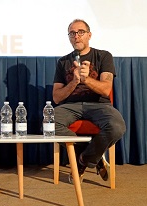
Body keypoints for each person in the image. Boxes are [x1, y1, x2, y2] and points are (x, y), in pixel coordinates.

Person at [52, 19, 126, 183]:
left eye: (80, 32)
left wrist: (86, 80)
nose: (76, 36)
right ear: (69, 37)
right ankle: (96, 156)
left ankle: (82, 161)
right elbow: (56, 97)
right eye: (72, 33)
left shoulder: (103, 56)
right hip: (71, 106)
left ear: (89, 35)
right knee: (48, 122)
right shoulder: (63, 62)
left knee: (117, 127)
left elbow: (106, 89)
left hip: (99, 105)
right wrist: (74, 82)